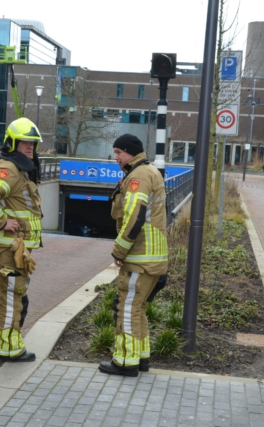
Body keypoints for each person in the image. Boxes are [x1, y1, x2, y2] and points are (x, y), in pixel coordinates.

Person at [99, 134, 168, 377]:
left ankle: (125, 362)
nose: (115, 157)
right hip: (152, 255)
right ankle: (141, 358)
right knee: (137, 309)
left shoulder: (138, 176)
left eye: (118, 152)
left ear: (130, 151)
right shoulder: (149, 171)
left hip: (139, 256)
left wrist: (119, 249)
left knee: (127, 309)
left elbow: (135, 217)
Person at [0, 118, 43, 362]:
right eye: (26, 143)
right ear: (13, 142)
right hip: (10, 246)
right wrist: (1, 222)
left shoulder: (15, 167)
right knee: (12, 294)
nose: (30, 148)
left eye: (33, 144)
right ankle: (9, 346)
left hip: (4, 245)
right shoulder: (10, 168)